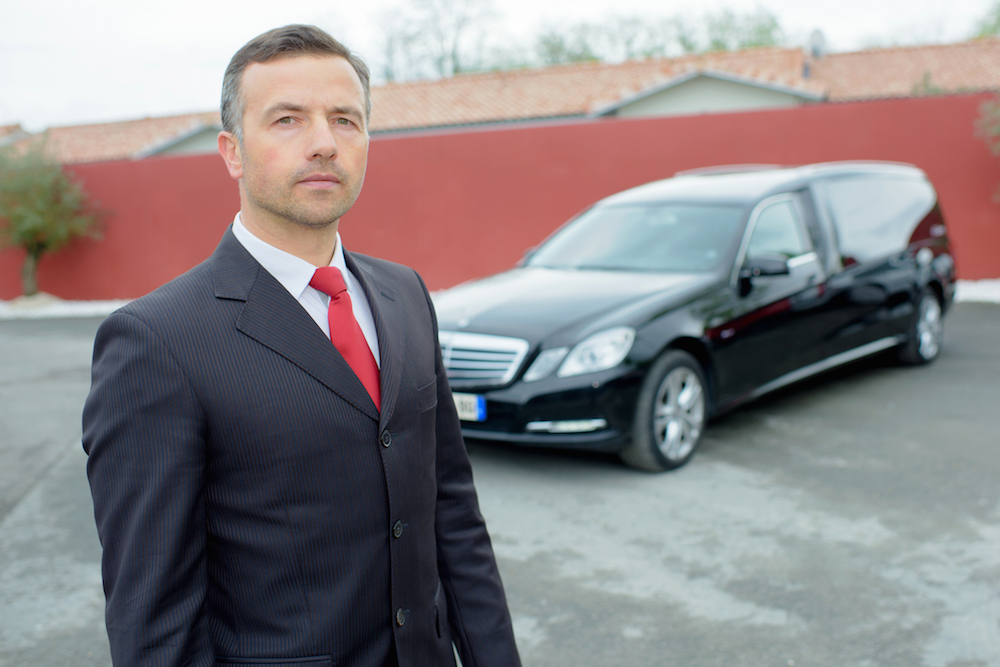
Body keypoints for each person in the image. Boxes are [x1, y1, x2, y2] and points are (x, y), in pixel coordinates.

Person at [82, 24, 521, 667]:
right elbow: (155, 620)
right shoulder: (155, 343)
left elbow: (452, 516)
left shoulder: (405, 295)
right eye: (287, 120)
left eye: (345, 120)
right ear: (232, 151)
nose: (324, 144)